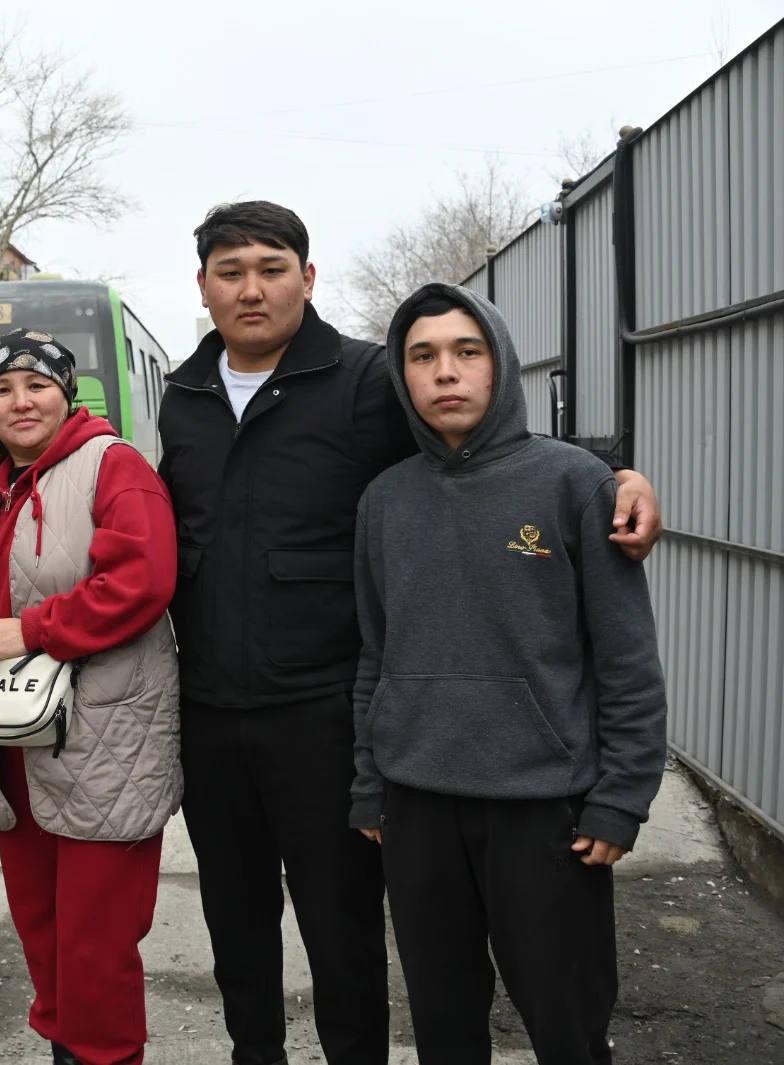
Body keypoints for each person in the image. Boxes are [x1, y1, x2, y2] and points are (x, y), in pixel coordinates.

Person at [156, 201, 665, 1065]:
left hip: (323, 711)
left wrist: (617, 474)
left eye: (272, 269)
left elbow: (479, 435)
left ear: (307, 278)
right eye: (230, 272)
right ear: (202, 286)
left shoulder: (365, 380)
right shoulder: (186, 396)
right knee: (237, 922)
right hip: (214, 709)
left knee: (344, 930)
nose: (251, 289)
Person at [351, 283, 667, 1063]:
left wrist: (620, 798)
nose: (445, 371)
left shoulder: (576, 483)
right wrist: (369, 781)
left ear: (500, 362)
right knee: (443, 1027)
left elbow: (626, 660)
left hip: (544, 809)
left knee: (568, 1026)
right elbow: (375, 655)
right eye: (423, 355)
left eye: (467, 351)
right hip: (417, 806)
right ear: (402, 374)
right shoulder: (383, 501)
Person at [0, 328, 181, 1065]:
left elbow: (142, 580)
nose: (20, 401)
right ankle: (68, 1049)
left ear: (67, 393)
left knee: (97, 939)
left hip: (102, 743)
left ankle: (102, 1055)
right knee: (44, 928)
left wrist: (33, 629)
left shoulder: (112, 465)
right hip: (19, 740)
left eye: (37, 385)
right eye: (1, 389)